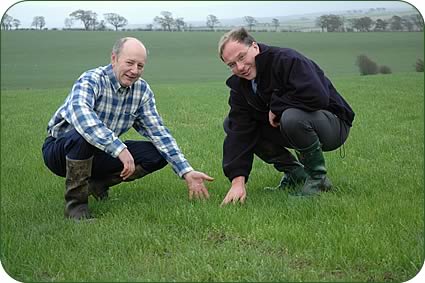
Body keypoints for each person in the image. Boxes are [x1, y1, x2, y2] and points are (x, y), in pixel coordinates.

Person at [42, 37, 214, 220]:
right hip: (61, 151)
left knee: (157, 153)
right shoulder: (91, 79)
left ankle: (97, 183)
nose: (134, 71)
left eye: (140, 66)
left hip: (100, 153)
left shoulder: (141, 91)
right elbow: (82, 117)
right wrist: (119, 148)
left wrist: (186, 171)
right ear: (114, 58)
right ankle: (76, 208)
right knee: (82, 135)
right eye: (130, 63)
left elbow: (159, 133)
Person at [218, 27, 355, 205]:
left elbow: (317, 95)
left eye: (242, 57)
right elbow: (239, 130)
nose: (240, 67)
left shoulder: (287, 60)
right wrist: (238, 180)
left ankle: (318, 179)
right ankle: (294, 173)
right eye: (232, 65)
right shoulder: (240, 86)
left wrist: (277, 107)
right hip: (291, 126)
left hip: (333, 124)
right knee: (231, 123)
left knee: (291, 116)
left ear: (254, 46)